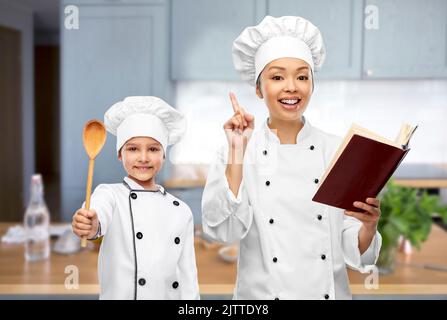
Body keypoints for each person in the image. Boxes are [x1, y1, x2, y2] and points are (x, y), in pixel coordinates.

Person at [201, 16, 382, 300]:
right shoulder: (235, 150)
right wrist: (238, 151)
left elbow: (353, 249)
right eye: (277, 77)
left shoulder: (338, 150)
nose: (291, 87)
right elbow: (222, 231)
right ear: (259, 89)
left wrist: (369, 226)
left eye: (302, 76)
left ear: (312, 84)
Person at [72, 96, 200, 300]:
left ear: (164, 154)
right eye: (133, 149)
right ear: (120, 154)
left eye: (153, 149)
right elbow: (98, 215)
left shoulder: (181, 210)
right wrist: (91, 223)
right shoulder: (110, 194)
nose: (143, 157)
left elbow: (188, 277)